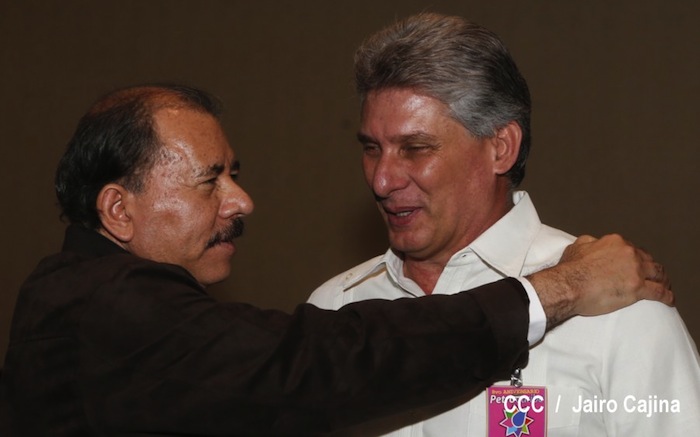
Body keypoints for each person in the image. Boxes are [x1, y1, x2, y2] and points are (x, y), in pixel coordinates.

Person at [0, 84, 671, 436]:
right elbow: (326, 364)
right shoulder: (111, 308)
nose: (242, 200)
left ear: (501, 148)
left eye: (414, 147)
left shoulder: (627, 311)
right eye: (211, 180)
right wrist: (557, 290)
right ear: (118, 211)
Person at [308, 13, 700, 436]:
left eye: (415, 148)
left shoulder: (620, 306)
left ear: (501, 147)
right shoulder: (334, 310)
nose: (382, 181)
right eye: (371, 149)